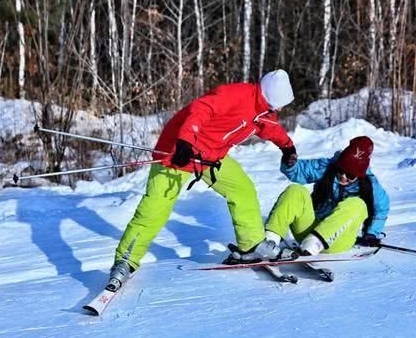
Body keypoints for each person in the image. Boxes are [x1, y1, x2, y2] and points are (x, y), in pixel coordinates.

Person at [108, 70, 299, 290]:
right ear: (270, 96)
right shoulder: (236, 95)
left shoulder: (263, 110)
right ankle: (126, 260)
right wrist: (185, 141)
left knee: (242, 189)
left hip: (210, 156)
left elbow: (270, 128)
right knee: (154, 210)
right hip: (178, 151)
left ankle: (251, 245)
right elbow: (201, 109)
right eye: (281, 103)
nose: (282, 109)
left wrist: (287, 146)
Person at [262, 136, 390, 256]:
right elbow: (300, 171)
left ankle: (316, 243)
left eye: (350, 175)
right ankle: (269, 241)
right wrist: (290, 163)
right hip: (307, 233)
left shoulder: (370, 185)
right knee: (296, 190)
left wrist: (371, 234)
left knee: (358, 204)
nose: (343, 177)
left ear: (360, 174)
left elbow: (382, 207)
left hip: (337, 241)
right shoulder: (328, 167)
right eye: (341, 170)